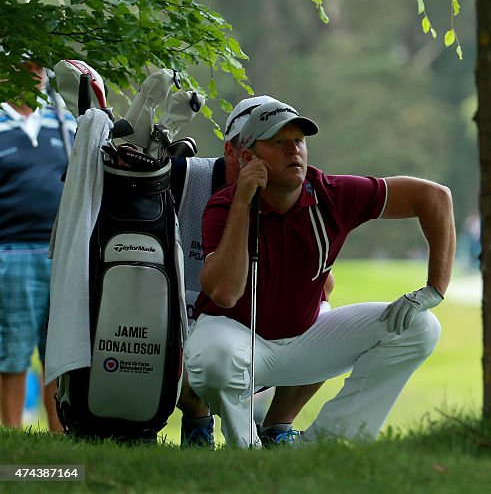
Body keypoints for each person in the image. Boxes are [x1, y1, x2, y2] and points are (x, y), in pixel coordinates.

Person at [184, 99, 453, 447]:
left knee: (420, 327)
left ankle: (325, 446)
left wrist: (435, 288)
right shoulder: (224, 205)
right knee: (213, 360)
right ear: (248, 158)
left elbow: (434, 197)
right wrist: (243, 203)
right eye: (278, 142)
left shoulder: (330, 193)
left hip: (305, 340)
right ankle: (244, 450)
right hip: (235, 341)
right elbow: (224, 292)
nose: (293, 150)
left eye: (298, 141)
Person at [174, 95, 337, 448]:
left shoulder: (291, 192)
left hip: (256, 330)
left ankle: (278, 426)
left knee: (326, 323)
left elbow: (324, 287)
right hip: (186, 321)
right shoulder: (190, 178)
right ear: (232, 151)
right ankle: (197, 422)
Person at [0, 62, 74, 432]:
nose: (31, 75)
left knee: (58, 353)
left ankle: (58, 435)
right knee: (11, 353)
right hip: (9, 254)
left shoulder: (65, 122)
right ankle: (12, 435)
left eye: (36, 68)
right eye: (20, 67)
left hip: (61, 254)